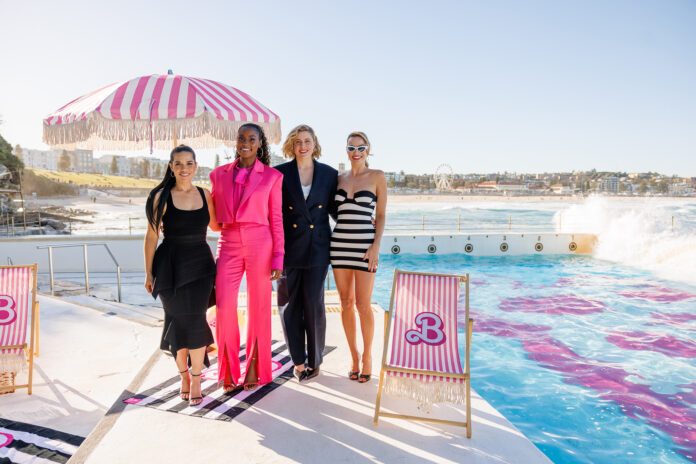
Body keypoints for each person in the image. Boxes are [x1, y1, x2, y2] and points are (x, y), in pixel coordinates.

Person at [210, 123, 284, 392]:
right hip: (228, 241)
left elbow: (276, 219)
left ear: (259, 144)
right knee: (225, 306)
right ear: (236, 141)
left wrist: (278, 258)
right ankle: (228, 369)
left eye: (251, 139)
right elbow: (215, 224)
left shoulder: (273, 177)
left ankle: (254, 366)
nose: (245, 142)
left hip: (260, 243)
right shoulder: (217, 175)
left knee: (259, 307)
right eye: (241, 138)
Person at [144, 145, 218, 406]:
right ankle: (184, 376)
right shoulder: (161, 197)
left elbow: (218, 226)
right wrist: (149, 273)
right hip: (169, 267)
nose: (184, 168)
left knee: (197, 321)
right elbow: (151, 237)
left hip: (200, 265)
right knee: (176, 322)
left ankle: (197, 379)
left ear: (195, 166)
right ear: (171, 167)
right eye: (178, 163)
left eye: (189, 163)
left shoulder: (205, 194)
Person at [276, 125, 338, 382]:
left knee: (313, 304)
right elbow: (274, 213)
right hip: (288, 248)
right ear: (292, 144)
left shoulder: (329, 174)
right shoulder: (279, 173)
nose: (303, 145)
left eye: (307, 141)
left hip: (318, 247)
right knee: (290, 306)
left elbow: (336, 209)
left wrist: (363, 220)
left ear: (315, 144)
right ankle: (298, 360)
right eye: (298, 141)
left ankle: (315, 360)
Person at [330, 131, 386, 383]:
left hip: (365, 247)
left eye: (361, 148)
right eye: (351, 147)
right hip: (339, 244)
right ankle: (353, 356)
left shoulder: (377, 177)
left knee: (364, 304)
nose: (356, 152)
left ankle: (368, 357)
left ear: (368, 150)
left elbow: (382, 215)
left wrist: (376, 246)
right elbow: (332, 210)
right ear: (346, 150)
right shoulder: (338, 178)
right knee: (345, 302)